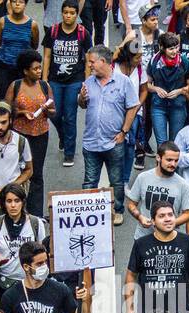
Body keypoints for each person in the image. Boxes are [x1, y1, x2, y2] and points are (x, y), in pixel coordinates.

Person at [79, 45, 140, 224]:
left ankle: (118, 210)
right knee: (90, 181)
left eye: (92, 62)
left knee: (116, 180)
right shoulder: (89, 82)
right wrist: (81, 98)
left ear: (103, 62)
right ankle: (87, 212)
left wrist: (124, 131)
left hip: (114, 141)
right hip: (91, 141)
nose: (89, 65)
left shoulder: (123, 81)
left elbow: (133, 106)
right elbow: (82, 105)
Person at [42, 0, 89, 169]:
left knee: (70, 116)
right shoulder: (53, 31)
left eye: (72, 13)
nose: (68, 16)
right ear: (62, 13)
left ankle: (69, 152)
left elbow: (88, 58)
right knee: (54, 113)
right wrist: (44, 79)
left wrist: (86, 81)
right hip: (54, 80)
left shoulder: (83, 33)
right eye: (66, 12)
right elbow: (46, 56)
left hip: (74, 81)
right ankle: (63, 136)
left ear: (77, 14)